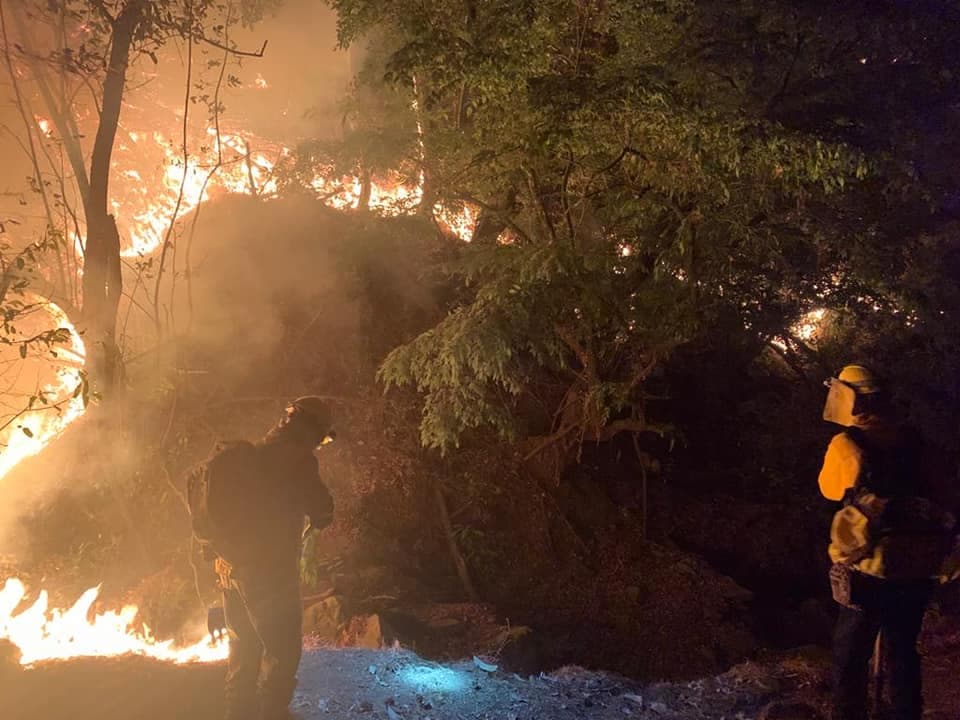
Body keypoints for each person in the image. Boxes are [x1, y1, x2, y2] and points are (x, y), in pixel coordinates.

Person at [818, 364, 953, 720]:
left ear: (849, 399)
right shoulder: (914, 440)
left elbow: (830, 490)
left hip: (869, 570)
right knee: (903, 652)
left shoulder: (847, 444)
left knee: (850, 656)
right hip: (919, 566)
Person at [205, 397, 336, 720]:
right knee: (282, 652)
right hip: (268, 571)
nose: (319, 446)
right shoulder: (297, 460)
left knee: (243, 650)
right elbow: (322, 509)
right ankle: (272, 714)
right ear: (312, 431)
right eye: (321, 439)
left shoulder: (248, 456)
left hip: (230, 567)